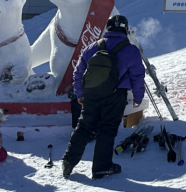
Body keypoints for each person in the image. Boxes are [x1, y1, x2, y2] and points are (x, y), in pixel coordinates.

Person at [62, 15, 146, 180]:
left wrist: (80, 93)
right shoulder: (131, 50)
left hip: (91, 94)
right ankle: (101, 168)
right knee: (107, 129)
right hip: (116, 95)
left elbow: (78, 72)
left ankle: (68, 162)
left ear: (107, 29)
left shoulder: (93, 47)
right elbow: (137, 77)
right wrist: (138, 97)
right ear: (125, 30)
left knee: (84, 127)